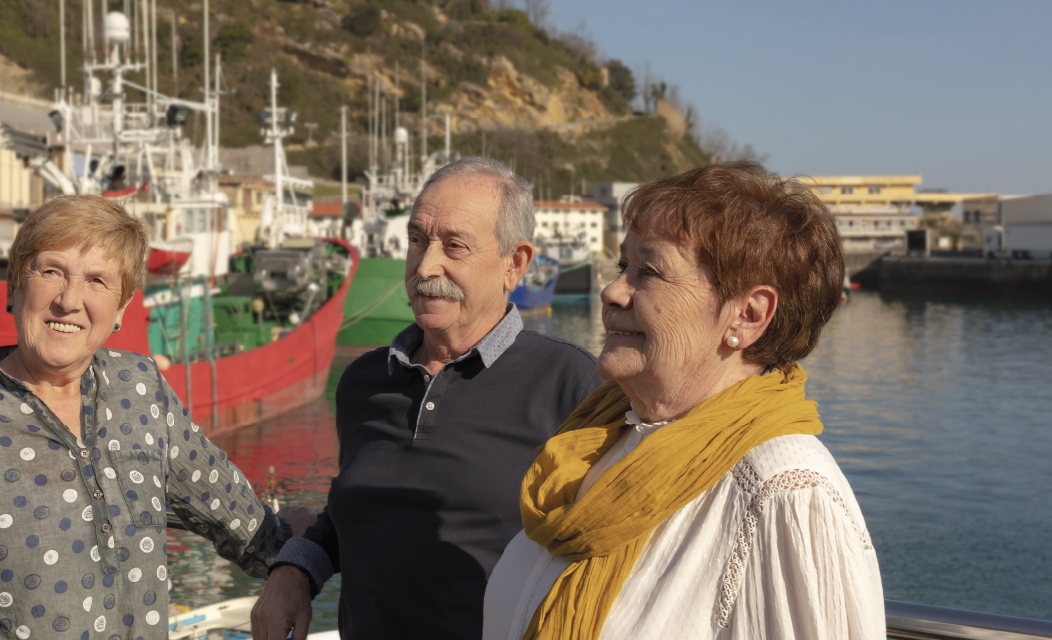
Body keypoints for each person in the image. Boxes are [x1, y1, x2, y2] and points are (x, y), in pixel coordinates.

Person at [481, 162, 882, 639]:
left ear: (748, 315)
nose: (612, 291)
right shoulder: (595, 442)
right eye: (623, 266)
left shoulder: (785, 494)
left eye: (649, 272)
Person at [252, 158, 604, 640]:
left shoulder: (573, 385)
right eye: (417, 240)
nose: (425, 266)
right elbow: (354, 514)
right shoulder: (364, 382)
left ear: (515, 264)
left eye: (454, 246)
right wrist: (293, 571)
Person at [0, 195, 306, 640]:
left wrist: (305, 557)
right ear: (14, 286)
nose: (69, 300)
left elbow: (250, 530)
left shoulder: (141, 389)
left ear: (122, 308)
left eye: (97, 280)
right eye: (51, 271)